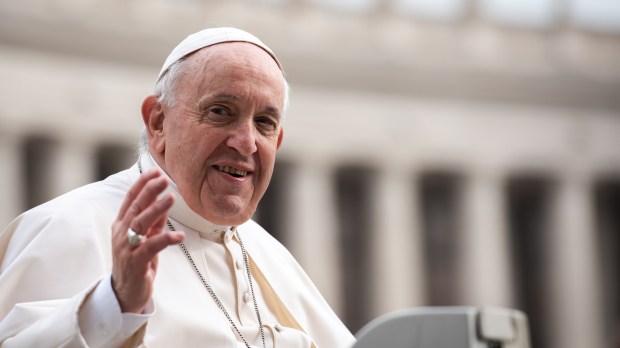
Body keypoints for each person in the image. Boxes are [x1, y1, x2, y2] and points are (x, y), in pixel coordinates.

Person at [0, 27, 355, 347]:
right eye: (221, 111)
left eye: (264, 122)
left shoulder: (271, 254)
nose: (246, 142)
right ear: (158, 123)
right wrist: (113, 304)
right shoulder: (65, 226)